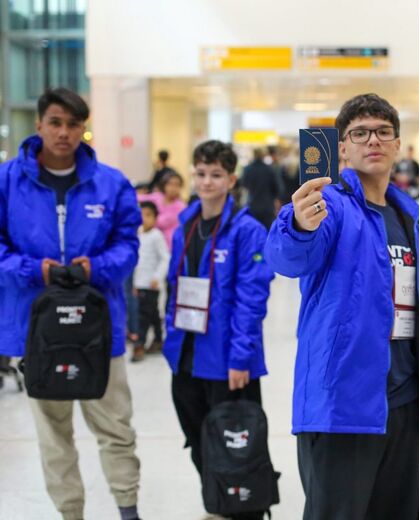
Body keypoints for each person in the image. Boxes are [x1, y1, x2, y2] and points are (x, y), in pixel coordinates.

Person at [264, 93, 419, 520]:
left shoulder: (407, 217)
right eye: (360, 133)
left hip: (402, 406)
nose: (373, 141)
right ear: (341, 147)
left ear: (399, 145)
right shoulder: (330, 207)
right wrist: (298, 223)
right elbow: (285, 259)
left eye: (384, 132)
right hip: (341, 408)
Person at [0, 87, 142, 520]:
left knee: (115, 427)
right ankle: (70, 513)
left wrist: (94, 268)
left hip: (100, 328)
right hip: (36, 327)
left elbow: (128, 245)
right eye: (56, 122)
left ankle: (128, 509)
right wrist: (33, 270)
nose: (64, 133)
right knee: (53, 434)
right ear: (39, 124)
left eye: (73, 124)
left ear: (84, 129)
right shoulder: (7, 181)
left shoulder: (111, 183)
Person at [163, 140, 274, 519]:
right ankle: (219, 502)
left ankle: (246, 509)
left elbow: (251, 299)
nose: (206, 182)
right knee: (198, 441)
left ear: (231, 179)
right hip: (187, 355)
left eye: (215, 175)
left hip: (228, 361)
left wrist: (241, 356)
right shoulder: (185, 226)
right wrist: (168, 338)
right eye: (200, 174)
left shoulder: (247, 231)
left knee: (237, 447)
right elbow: (174, 285)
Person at [131, 201, 170, 362]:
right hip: (140, 283)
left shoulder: (157, 235)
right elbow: (137, 264)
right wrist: (134, 284)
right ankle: (159, 340)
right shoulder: (138, 234)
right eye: (142, 215)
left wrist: (157, 277)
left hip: (152, 284)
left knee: (144, 316)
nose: (144, 218)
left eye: (148, 215)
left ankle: (139, 345)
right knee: (152, 314)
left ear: (155, 218)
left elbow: (165, 258)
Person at [138, 171, 186, 250]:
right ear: (164, 185)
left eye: (176, 185)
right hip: (151, 242)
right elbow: (140, 198)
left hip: (169, 245)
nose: (173, 188)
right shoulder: (158, 196)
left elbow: (160, 222)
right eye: (170, 184)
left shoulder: (180, 206)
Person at [240, 147, 283, 229]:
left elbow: (244, 184)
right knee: (267, 232)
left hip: (252, 205)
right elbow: (278, 188)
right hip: (267, 207)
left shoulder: (248, 169)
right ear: (263, 155)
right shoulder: (270, 169)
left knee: (252, 233)